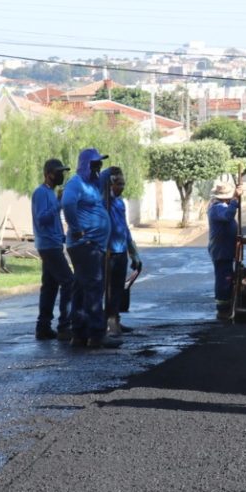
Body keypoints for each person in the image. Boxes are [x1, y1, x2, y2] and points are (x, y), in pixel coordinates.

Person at [61, 147, 120, 349]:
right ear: (86, 164)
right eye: (95, 163)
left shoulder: (93, 182)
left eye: (100, 163)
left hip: (92, 244)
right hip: (85, 244)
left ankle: (79, 332)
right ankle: (96, 333)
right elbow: (68, 203)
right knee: (94, 286)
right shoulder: (76, 183)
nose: (98, 167)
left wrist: (109, 171)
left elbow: (102, 177)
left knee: (80, 287)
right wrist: (76, 228)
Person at [31, 158, 74, 340]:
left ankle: (43, 327)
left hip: (53, 244)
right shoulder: (41, 193)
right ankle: (65, 325)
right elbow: (42, 219)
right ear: (48, 174)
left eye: (63, 172)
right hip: (48, 246)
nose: (61, 176)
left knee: (49, 287)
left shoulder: (50, 193)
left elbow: (54, 223)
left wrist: (65, 237)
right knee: (69, 281)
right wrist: (58, 203)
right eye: (58, 172)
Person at [100, 166, 141, 337]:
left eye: (123, 184)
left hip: (120, 251)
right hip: (106, 252)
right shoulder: (102, 203)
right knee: (103, 288)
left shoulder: (119, 203)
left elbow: (124, 229)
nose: (122, 187)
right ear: (110, 184)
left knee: (117, 288)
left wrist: (134, 253)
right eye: (119, 184)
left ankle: (114, 319)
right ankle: (101, 323)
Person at [208, 178, 242, 319]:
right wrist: (235, 198)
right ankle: (223, 308)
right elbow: (229, 215)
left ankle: (225, 306)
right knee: (224, 279)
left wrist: (237, 197)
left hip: (225, 248)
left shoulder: (221, 206)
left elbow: (234, 208)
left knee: (226, 276)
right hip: (222, 249)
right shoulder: (217, 208)